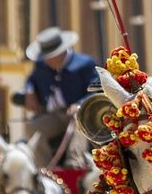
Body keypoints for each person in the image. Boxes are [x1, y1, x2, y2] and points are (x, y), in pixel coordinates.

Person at [19, 27, 99, 166]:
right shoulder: (40, 65)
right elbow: (31, 80)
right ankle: (43, 169)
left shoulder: (85, 64)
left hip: (79, 114)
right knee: (32, 126)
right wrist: (29, 90)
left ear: (62, 51)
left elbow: (96, 90)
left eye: (50, 56)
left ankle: (74, 163)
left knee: (78, 120)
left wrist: (80, 104)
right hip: (53, 115)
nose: (47, 60)